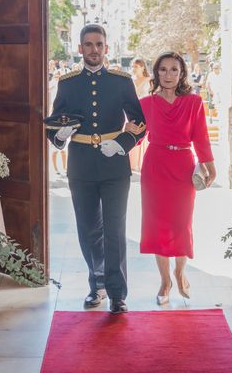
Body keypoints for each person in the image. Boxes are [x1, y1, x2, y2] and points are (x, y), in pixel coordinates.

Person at [47, 24, 146, 314]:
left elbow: (139, 121)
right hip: (81, 165)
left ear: (106, 47)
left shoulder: (121, 81)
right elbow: (54, 123)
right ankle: (97, 285)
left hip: (114, 164)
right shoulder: (67, 83)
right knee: (89, 229)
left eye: (98, 44)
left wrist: (123, 143)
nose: (93, 50)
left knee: (115, 229)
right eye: (88, 44)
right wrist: (59, 135)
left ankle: (117, 293)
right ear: (80, 48)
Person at [126, 51, 216, 305]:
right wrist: (127, 131)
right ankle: (165, 282)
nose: (168, 75)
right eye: (163, 70)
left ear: (182, 73)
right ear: (156, 73)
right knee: (157, 224)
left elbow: (201, 138)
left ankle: (180, 271)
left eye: (174, 70)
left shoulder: (194, 103)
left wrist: (210, 167)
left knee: (181, 223)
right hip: (155, 167)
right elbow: (137, 136)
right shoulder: (145, 104)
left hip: (183, 168)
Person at [129, 58, 151, 171]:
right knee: (133, 133)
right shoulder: (130, 80)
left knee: (144, 135)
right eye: (132, 66)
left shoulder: (149, 80)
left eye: (136, 67)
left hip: (146, 112)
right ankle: (132, 163)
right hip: (132, 112)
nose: (134, 69)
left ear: (142, 67)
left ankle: (143, 162)